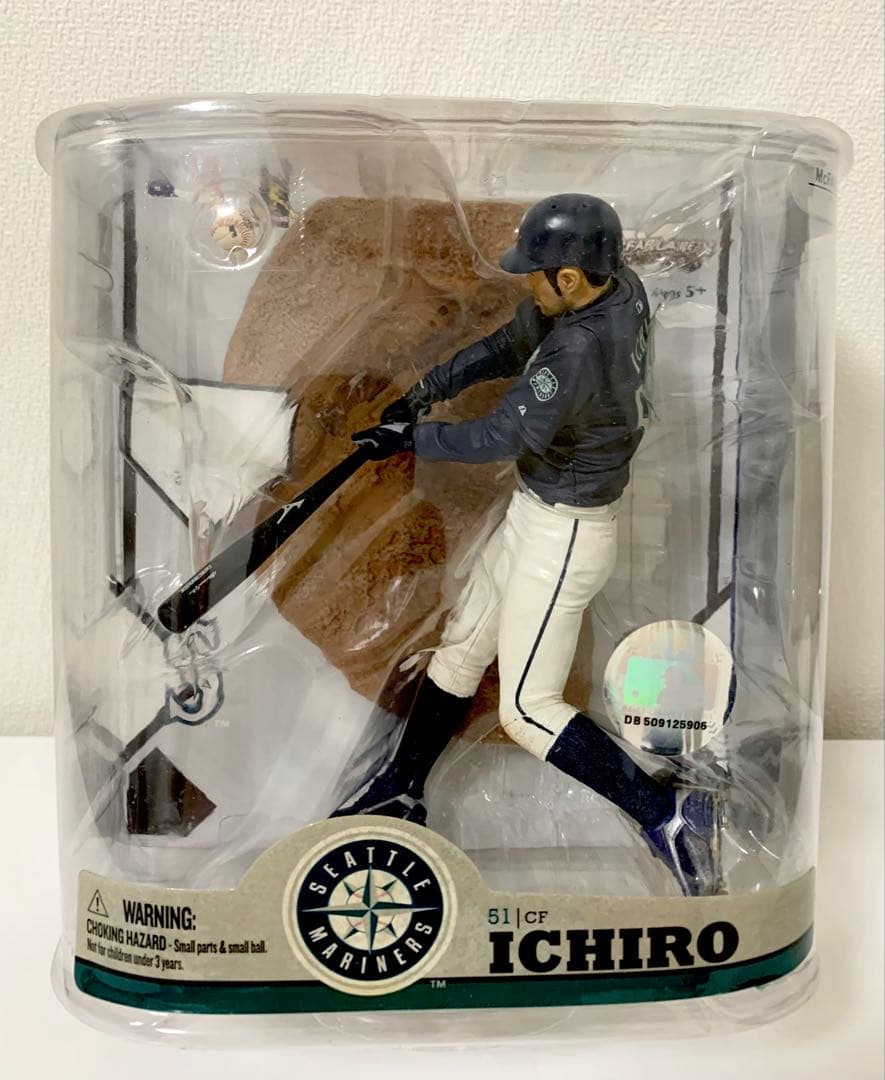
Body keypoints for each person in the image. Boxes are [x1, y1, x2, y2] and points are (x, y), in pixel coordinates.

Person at [334, 194, 720, 897]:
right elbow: (509, 345)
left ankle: (666, 814)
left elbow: (501, 434)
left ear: (569, 278)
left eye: (536, 273)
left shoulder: (579, 348)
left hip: (564, 536)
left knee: (528, 709)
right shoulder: (615, 287)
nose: (527, 283)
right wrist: (425, 391)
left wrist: (411, 438)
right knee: (461, 646)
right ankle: (402, 786)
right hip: (538, 513)